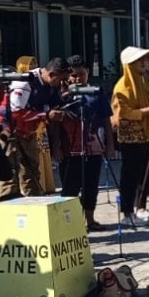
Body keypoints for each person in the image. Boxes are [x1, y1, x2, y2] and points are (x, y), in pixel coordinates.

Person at [0, 56, 71, 198]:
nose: (63, 83)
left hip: (29, 131)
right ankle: (9, 206)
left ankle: (32, 205)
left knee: (31, 173)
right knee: (9, 175)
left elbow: (55, 106)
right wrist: (46, 115)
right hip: (8, 130)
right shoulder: (25, 82)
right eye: (62, 80)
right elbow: (15, 112)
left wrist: (65, 96)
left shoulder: (52, 85)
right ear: (52, 74)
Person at [53, 56, 112, 230]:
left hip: (93, 146)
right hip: (69, 148)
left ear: (88, 72)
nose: (78, 78)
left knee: (91, 184)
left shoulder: (96, 92)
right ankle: (68, 225)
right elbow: (55, 123)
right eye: (74, 75)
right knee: (69, 186)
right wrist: (56, 147)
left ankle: (90, 220)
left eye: (81, 74)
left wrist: (110, 144)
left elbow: (106, 119)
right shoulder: (61, 95)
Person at [111, 47, 149, 223]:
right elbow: (125, 113)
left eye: (146, 59)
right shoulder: (122, 86)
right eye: (141, 60)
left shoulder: (145, 81)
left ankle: (141, 207)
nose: (145, 63)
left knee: (145, 174)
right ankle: (127, 213)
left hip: (147, 135)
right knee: (130, 175)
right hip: (131, 139)